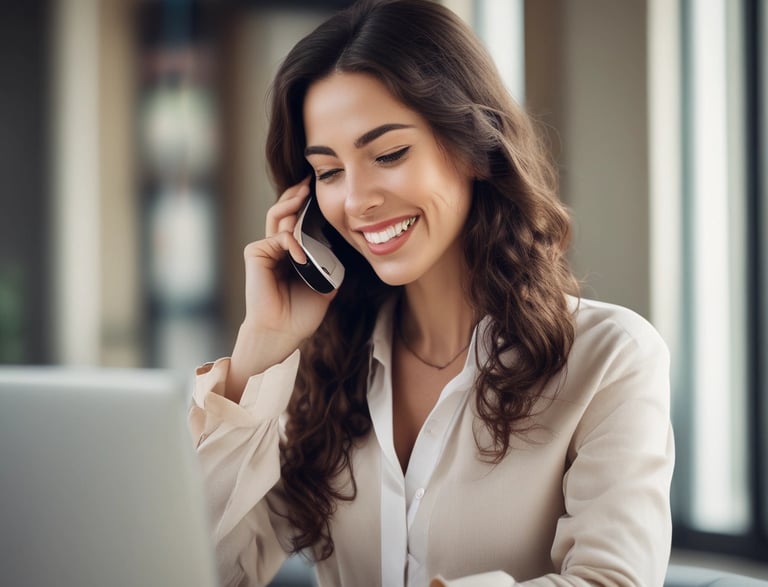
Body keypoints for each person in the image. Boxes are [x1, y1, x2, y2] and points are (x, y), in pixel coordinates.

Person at [188, 0, 675, 585]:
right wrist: (261, 347)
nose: (357, 200)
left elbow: (612, 580)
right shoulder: (319, 374)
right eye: (329, 171)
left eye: (388, 154)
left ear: (473, 146)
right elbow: (197, 571)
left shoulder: (610, 359)